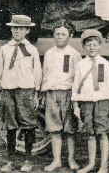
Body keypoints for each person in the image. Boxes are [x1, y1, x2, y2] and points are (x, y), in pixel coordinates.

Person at [0, 14, 42, 173]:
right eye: (14, 28)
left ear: (27, 31)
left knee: (28, 124)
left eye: (20, 28)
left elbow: (37, 72)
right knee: (10, 125)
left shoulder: (32, 50)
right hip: (9, 90)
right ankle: (10, 160)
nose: (16, 31)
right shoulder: (5, 49)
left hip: (26, 90)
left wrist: (36, 92)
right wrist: (2, 85)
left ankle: (28, 160)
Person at [72, 29, 109, 173]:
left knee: (102, 133)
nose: (92, 47)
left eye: (95, 44)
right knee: (90, 134)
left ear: (100, 46)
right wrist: (75, 106)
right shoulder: (80, 65)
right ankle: (91, 164)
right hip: (86, 102)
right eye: (89, 45)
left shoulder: (106, 64)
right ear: (84, 47)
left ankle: (103, 165)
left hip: (102, 102)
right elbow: (76, 85)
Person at [40, 20, 82, 172]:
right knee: (54, 129)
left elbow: (78, 78)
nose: (59, 37)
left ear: (70, 35)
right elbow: (45, 74)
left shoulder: (74, 54)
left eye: (63, 34)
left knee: (70, 130)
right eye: (57, 34)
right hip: (52, 93)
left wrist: (75, 99)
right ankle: (56, 160)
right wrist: (43, 93)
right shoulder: (49, 54)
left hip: (68, 94)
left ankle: (71, 159)